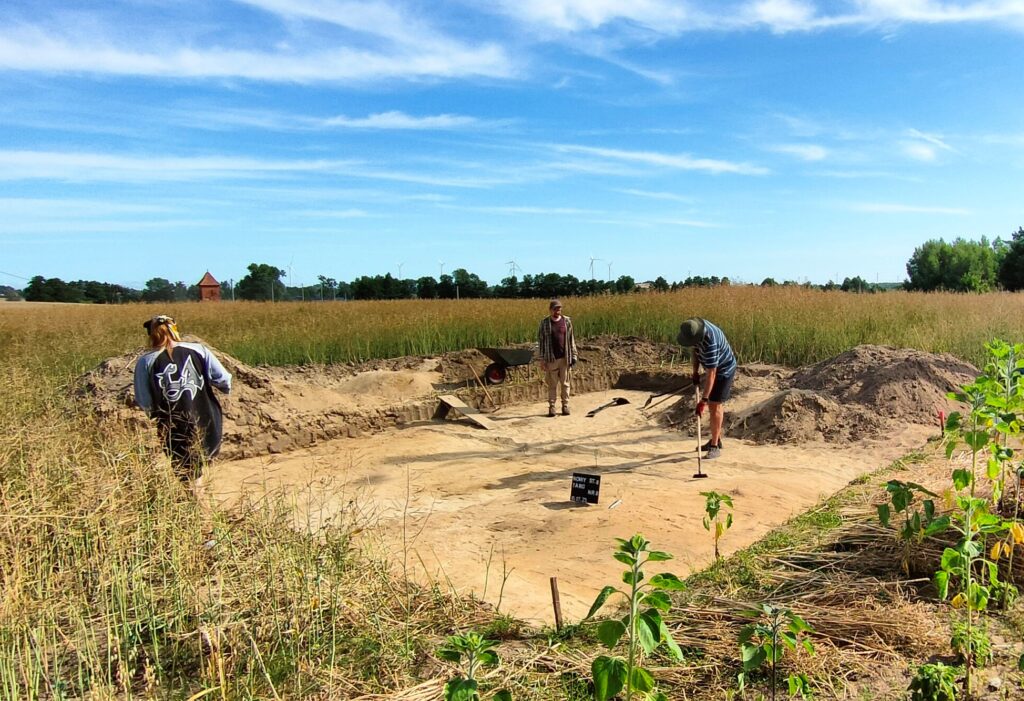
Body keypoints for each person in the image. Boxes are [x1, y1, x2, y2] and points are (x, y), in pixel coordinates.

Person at [134, 315, 232, 480]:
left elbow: (145, 401)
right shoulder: (199, 350)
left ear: (151, 335)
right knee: (200, 464)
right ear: (174, 330)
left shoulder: (146, 362)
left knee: (185, 470)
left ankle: (197, 502)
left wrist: (155, 414)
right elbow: (224, 379)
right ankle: (200, 500)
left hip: (172, 423)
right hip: (205, 416)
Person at [676, 317, 736, 459]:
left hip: (724, 370)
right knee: (712, 404)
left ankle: (714, 447)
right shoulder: (694, 329)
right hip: (714, 369)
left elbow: (712, 374)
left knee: (715, 404)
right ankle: (717, 439)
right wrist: (695, 372)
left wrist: (703, 401)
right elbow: (696, 351)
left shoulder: (710, 343)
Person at [537, 299, 578, 417]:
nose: (557, 311)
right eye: (555, 309)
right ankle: (552, 407)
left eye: (559, 309)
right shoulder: (544, 323)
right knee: (552, 384)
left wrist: (574, 355)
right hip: (551, 359)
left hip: (565, 358)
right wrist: (542, 359)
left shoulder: (567, 321)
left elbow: (571, 339)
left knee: (565, 384)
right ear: (550, 310)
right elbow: (541, 342)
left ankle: (565, 405)